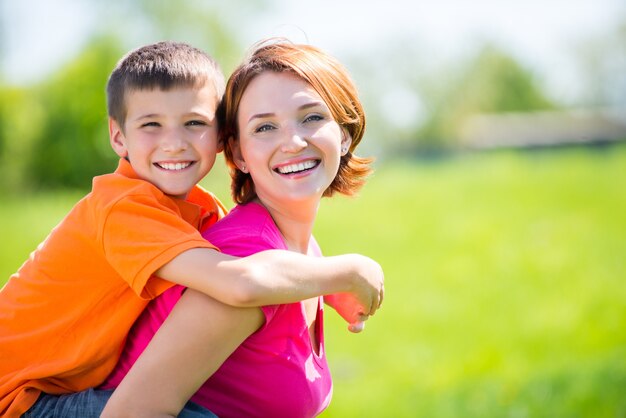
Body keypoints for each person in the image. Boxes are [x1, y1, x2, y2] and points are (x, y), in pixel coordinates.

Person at [0, 40, 384, 418]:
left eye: (194, 123)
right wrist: (348, 273)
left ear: (218, 140)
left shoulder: (201, 211)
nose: (174, 143)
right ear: (118, 136)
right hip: (22, 398)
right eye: (265, 126)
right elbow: (242, 280)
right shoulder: (123, 209)